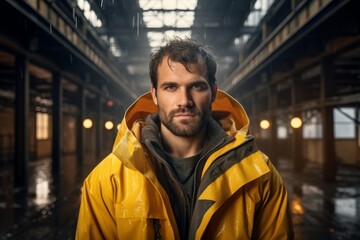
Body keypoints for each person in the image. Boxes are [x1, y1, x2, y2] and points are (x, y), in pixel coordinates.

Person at [75, 37, 294, 239]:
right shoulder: (107, 180)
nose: (184, 101)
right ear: (154, 95)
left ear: (214, 93)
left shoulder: (259, 176)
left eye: (197, 86)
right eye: (170, 87)